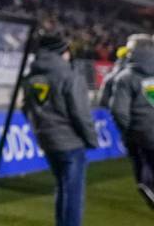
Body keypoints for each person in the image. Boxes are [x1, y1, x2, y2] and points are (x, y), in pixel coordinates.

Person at [23, 33, 98, 226]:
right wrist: (91, 139)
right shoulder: (70, 76)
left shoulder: (31, 76)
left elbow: (25, 108)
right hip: (71, 142)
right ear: (61, 52)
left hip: (47, 140)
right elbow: (80, 113)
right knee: (73, 194)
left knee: (62, 188)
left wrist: (40, 128)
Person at [107, 34, 154, 208]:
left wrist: (128, 133)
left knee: (144, 173)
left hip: (140, 135)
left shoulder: (125, 77)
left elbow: (119, 111)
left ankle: (148, 186)